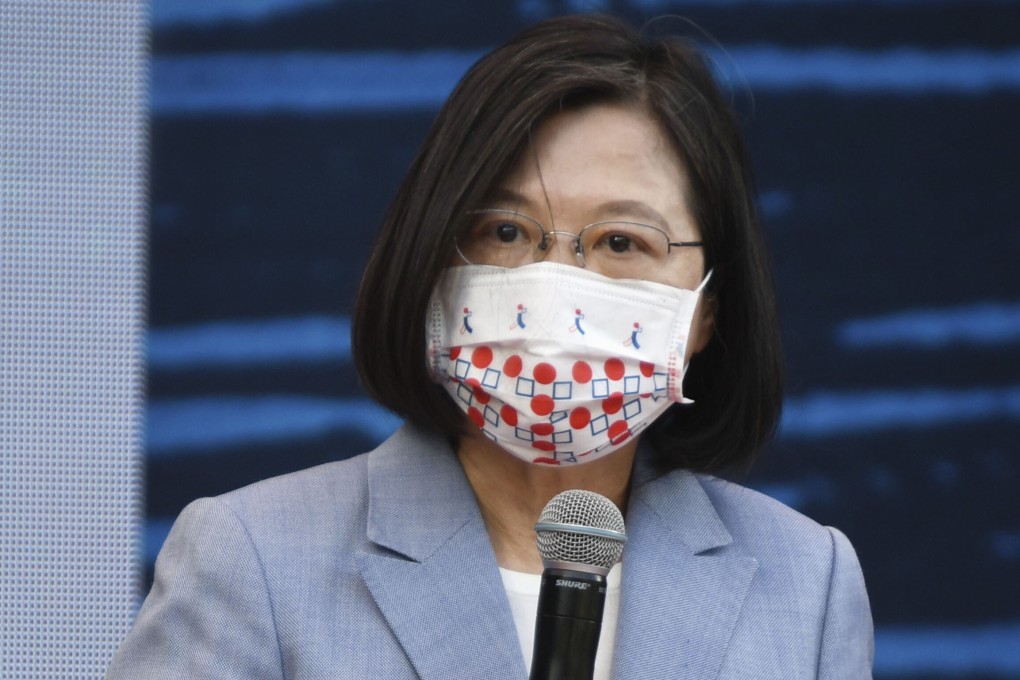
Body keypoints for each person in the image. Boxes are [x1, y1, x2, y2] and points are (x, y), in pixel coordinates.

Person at [107, 13, 873, 679]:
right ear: (432, 258)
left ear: (706, 310)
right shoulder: (254, 559)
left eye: (620, 241)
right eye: (506, 231)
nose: (555, 287)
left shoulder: (807, 583)